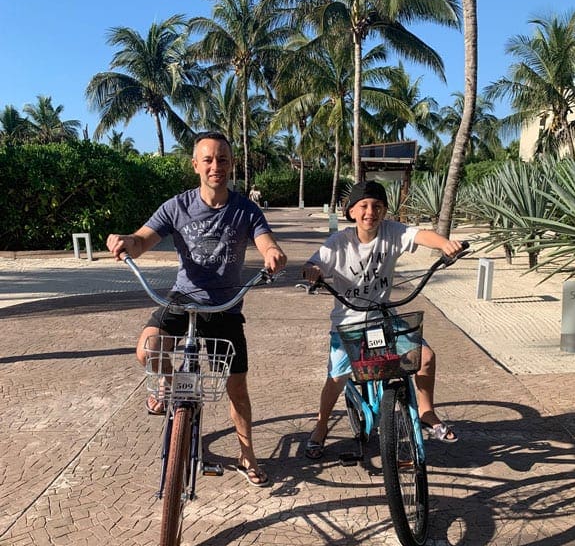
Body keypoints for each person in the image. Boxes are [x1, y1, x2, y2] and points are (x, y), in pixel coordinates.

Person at [106, 131, 287, 486]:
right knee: (148, 350)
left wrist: (271, 253)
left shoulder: (245, 209)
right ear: (195, 165)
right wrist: (126, 241)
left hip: (225, 307)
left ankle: (246, 453)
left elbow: (265, 239)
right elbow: (143, 240)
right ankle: (169, 387)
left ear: (231, 164)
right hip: (182, 299)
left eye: (222, 159)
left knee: (237, 387)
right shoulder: (177, 206)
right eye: (207, 159)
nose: (215, 166)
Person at [301, 179, 463, 460]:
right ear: (351, 211)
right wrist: (313, 272)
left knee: (424, 358)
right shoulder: (338, 243)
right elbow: (313, 264)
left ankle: (427, 412)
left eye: (377, 206)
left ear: (385, 210)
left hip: (383, 316)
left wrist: (445, 244)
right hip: (348, 323)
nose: (370, 212)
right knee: (337, 377)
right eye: (363, 206)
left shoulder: (391, 232)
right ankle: (321, 426)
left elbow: (421, 235)